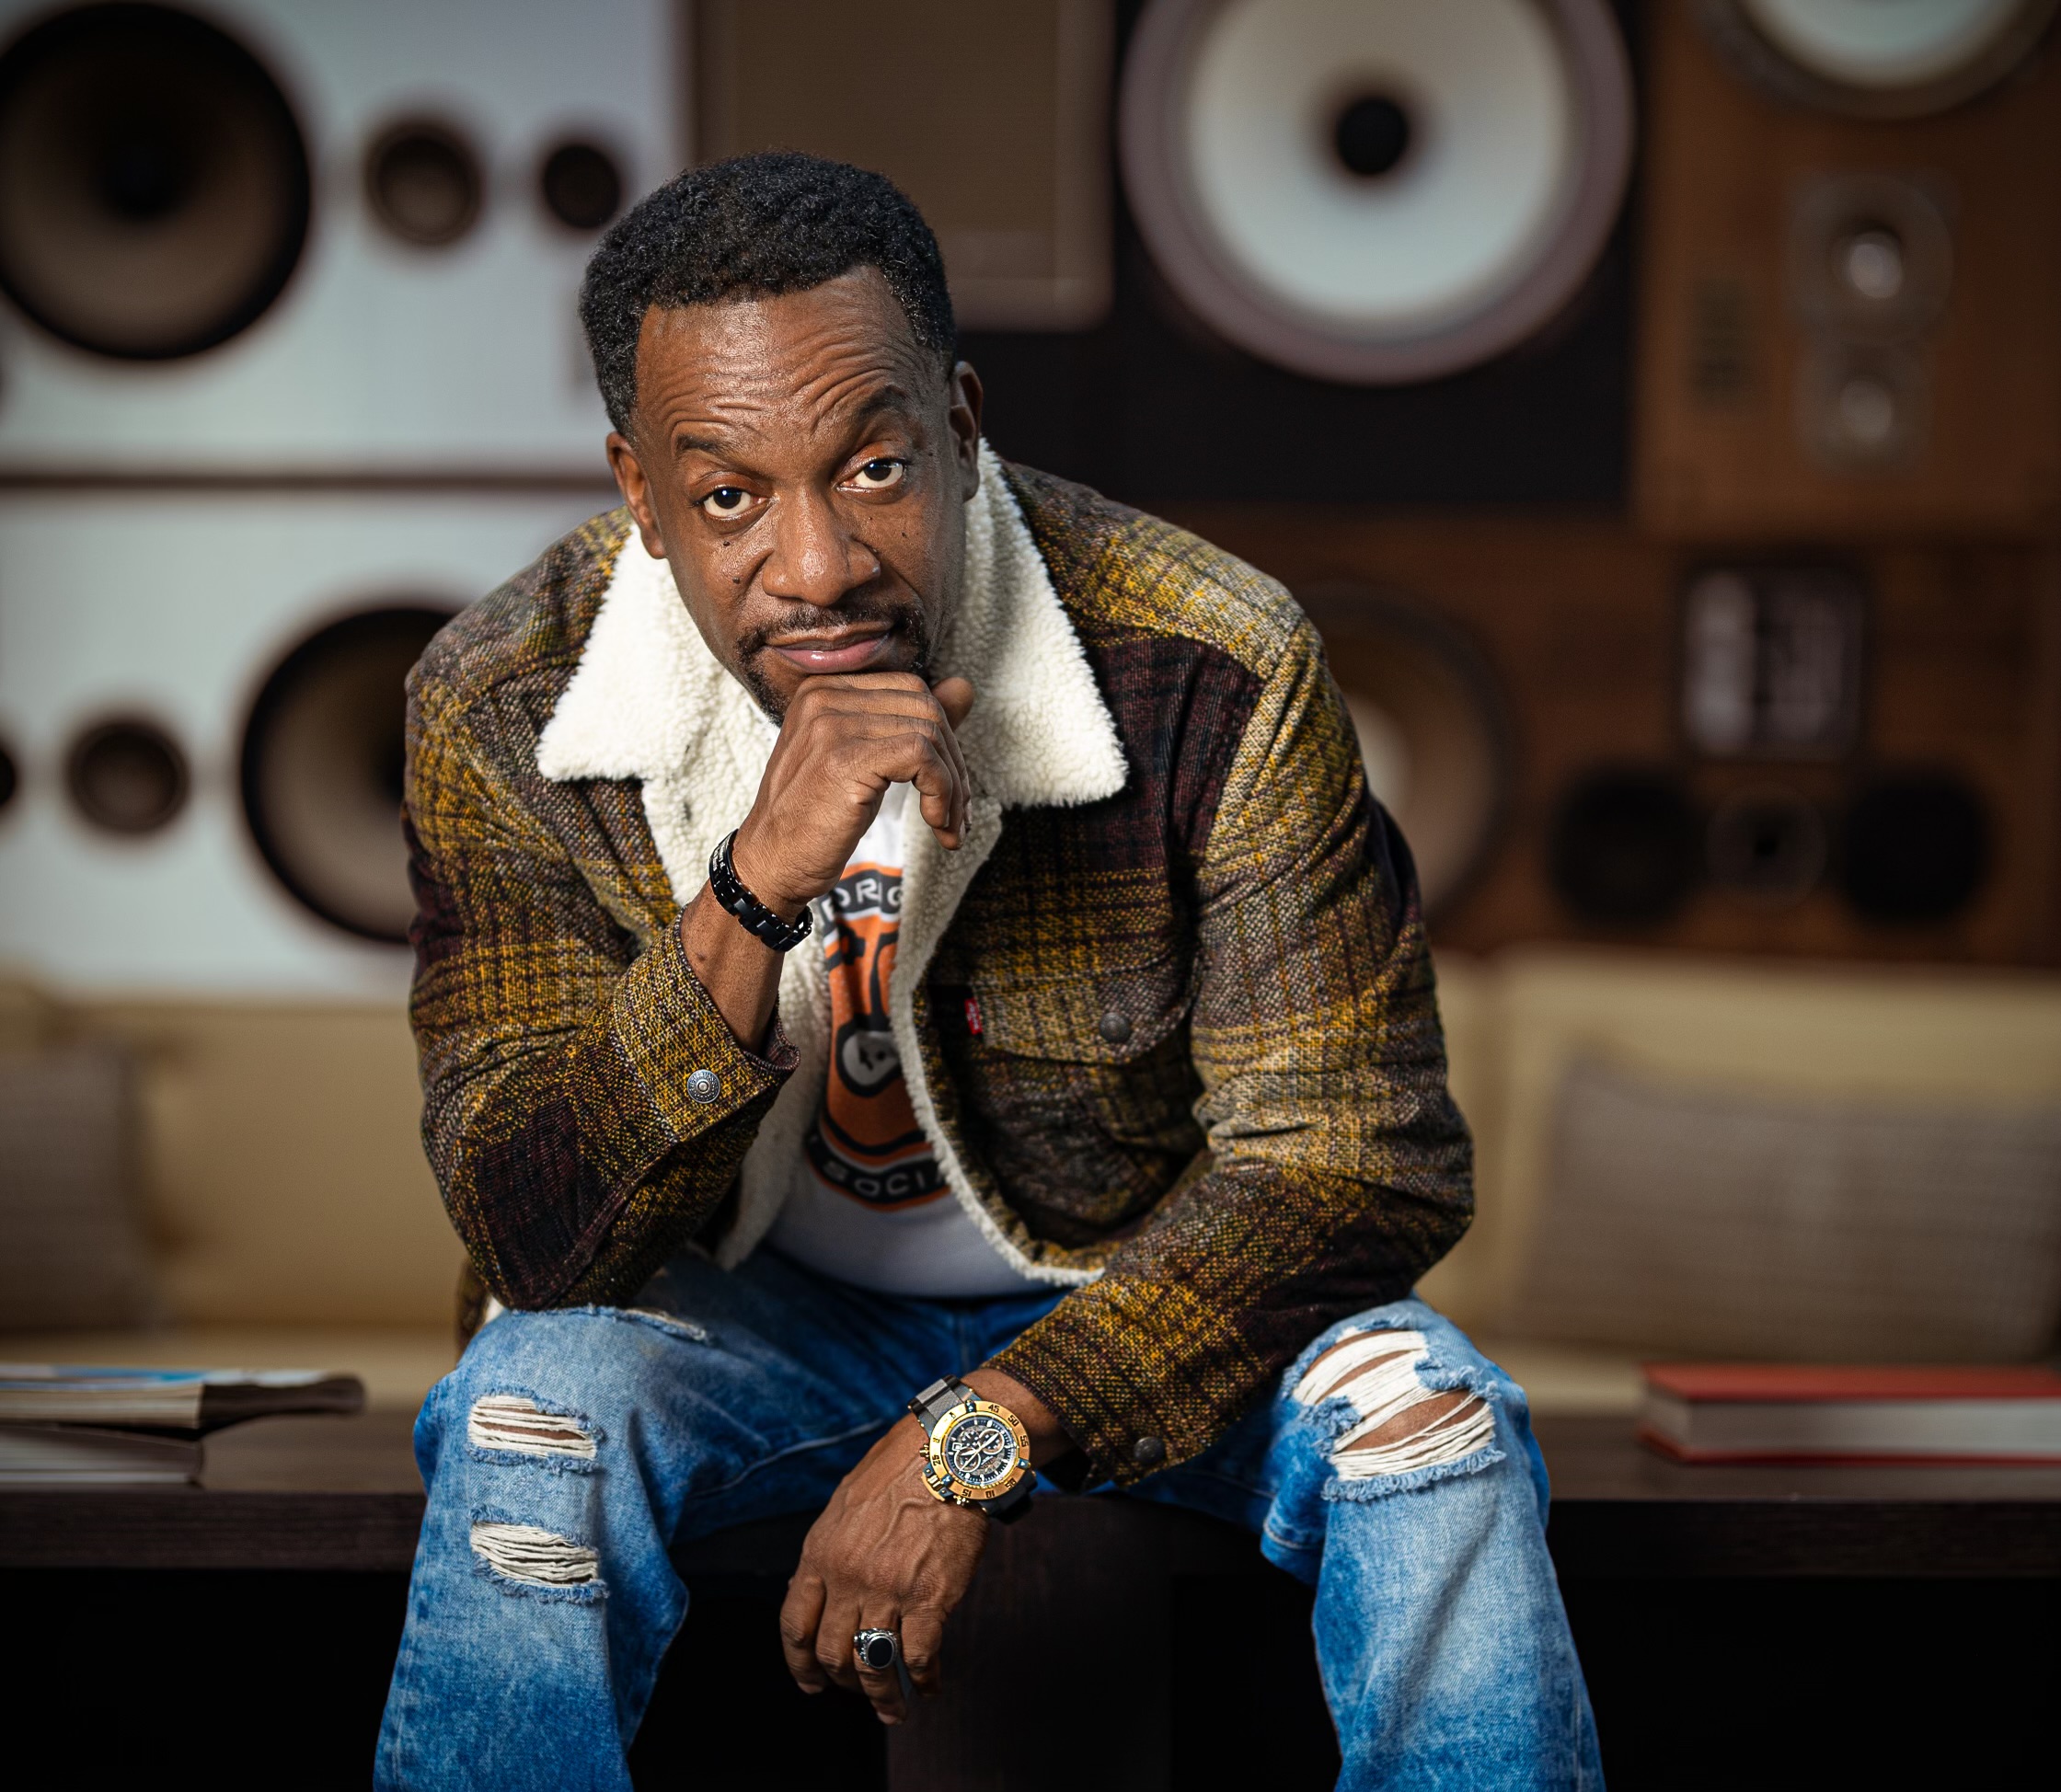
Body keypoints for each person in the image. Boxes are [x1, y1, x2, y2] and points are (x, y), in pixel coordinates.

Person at [374, 151, 1601, 1792]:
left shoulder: (1209, 664)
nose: (818, 565)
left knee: (1432, 1420)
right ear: (640, 495)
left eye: (875, 467)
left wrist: (984, 1431)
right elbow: (535, 1231)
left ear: (961, 426)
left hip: (1136, 1293)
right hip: (748, 1322)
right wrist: (752, 885)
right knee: (530, 1409)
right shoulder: (506, 705)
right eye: (729, 498)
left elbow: (1356, 1159)